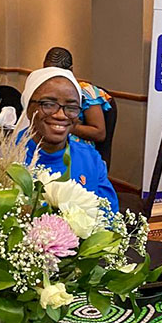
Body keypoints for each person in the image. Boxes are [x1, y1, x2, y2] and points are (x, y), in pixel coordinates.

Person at [14, 67, 118, 210]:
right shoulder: (2, 158)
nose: (60, 115)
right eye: (48, 104)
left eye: (71, 107)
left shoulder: (90, 159)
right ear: (28, 108)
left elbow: (110, 219)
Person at [42, 46, 109, 145]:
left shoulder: (85, 92)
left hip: (75, 148)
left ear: (71, 70)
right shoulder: (41, 89)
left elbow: (99, 133)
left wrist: (65, 125)